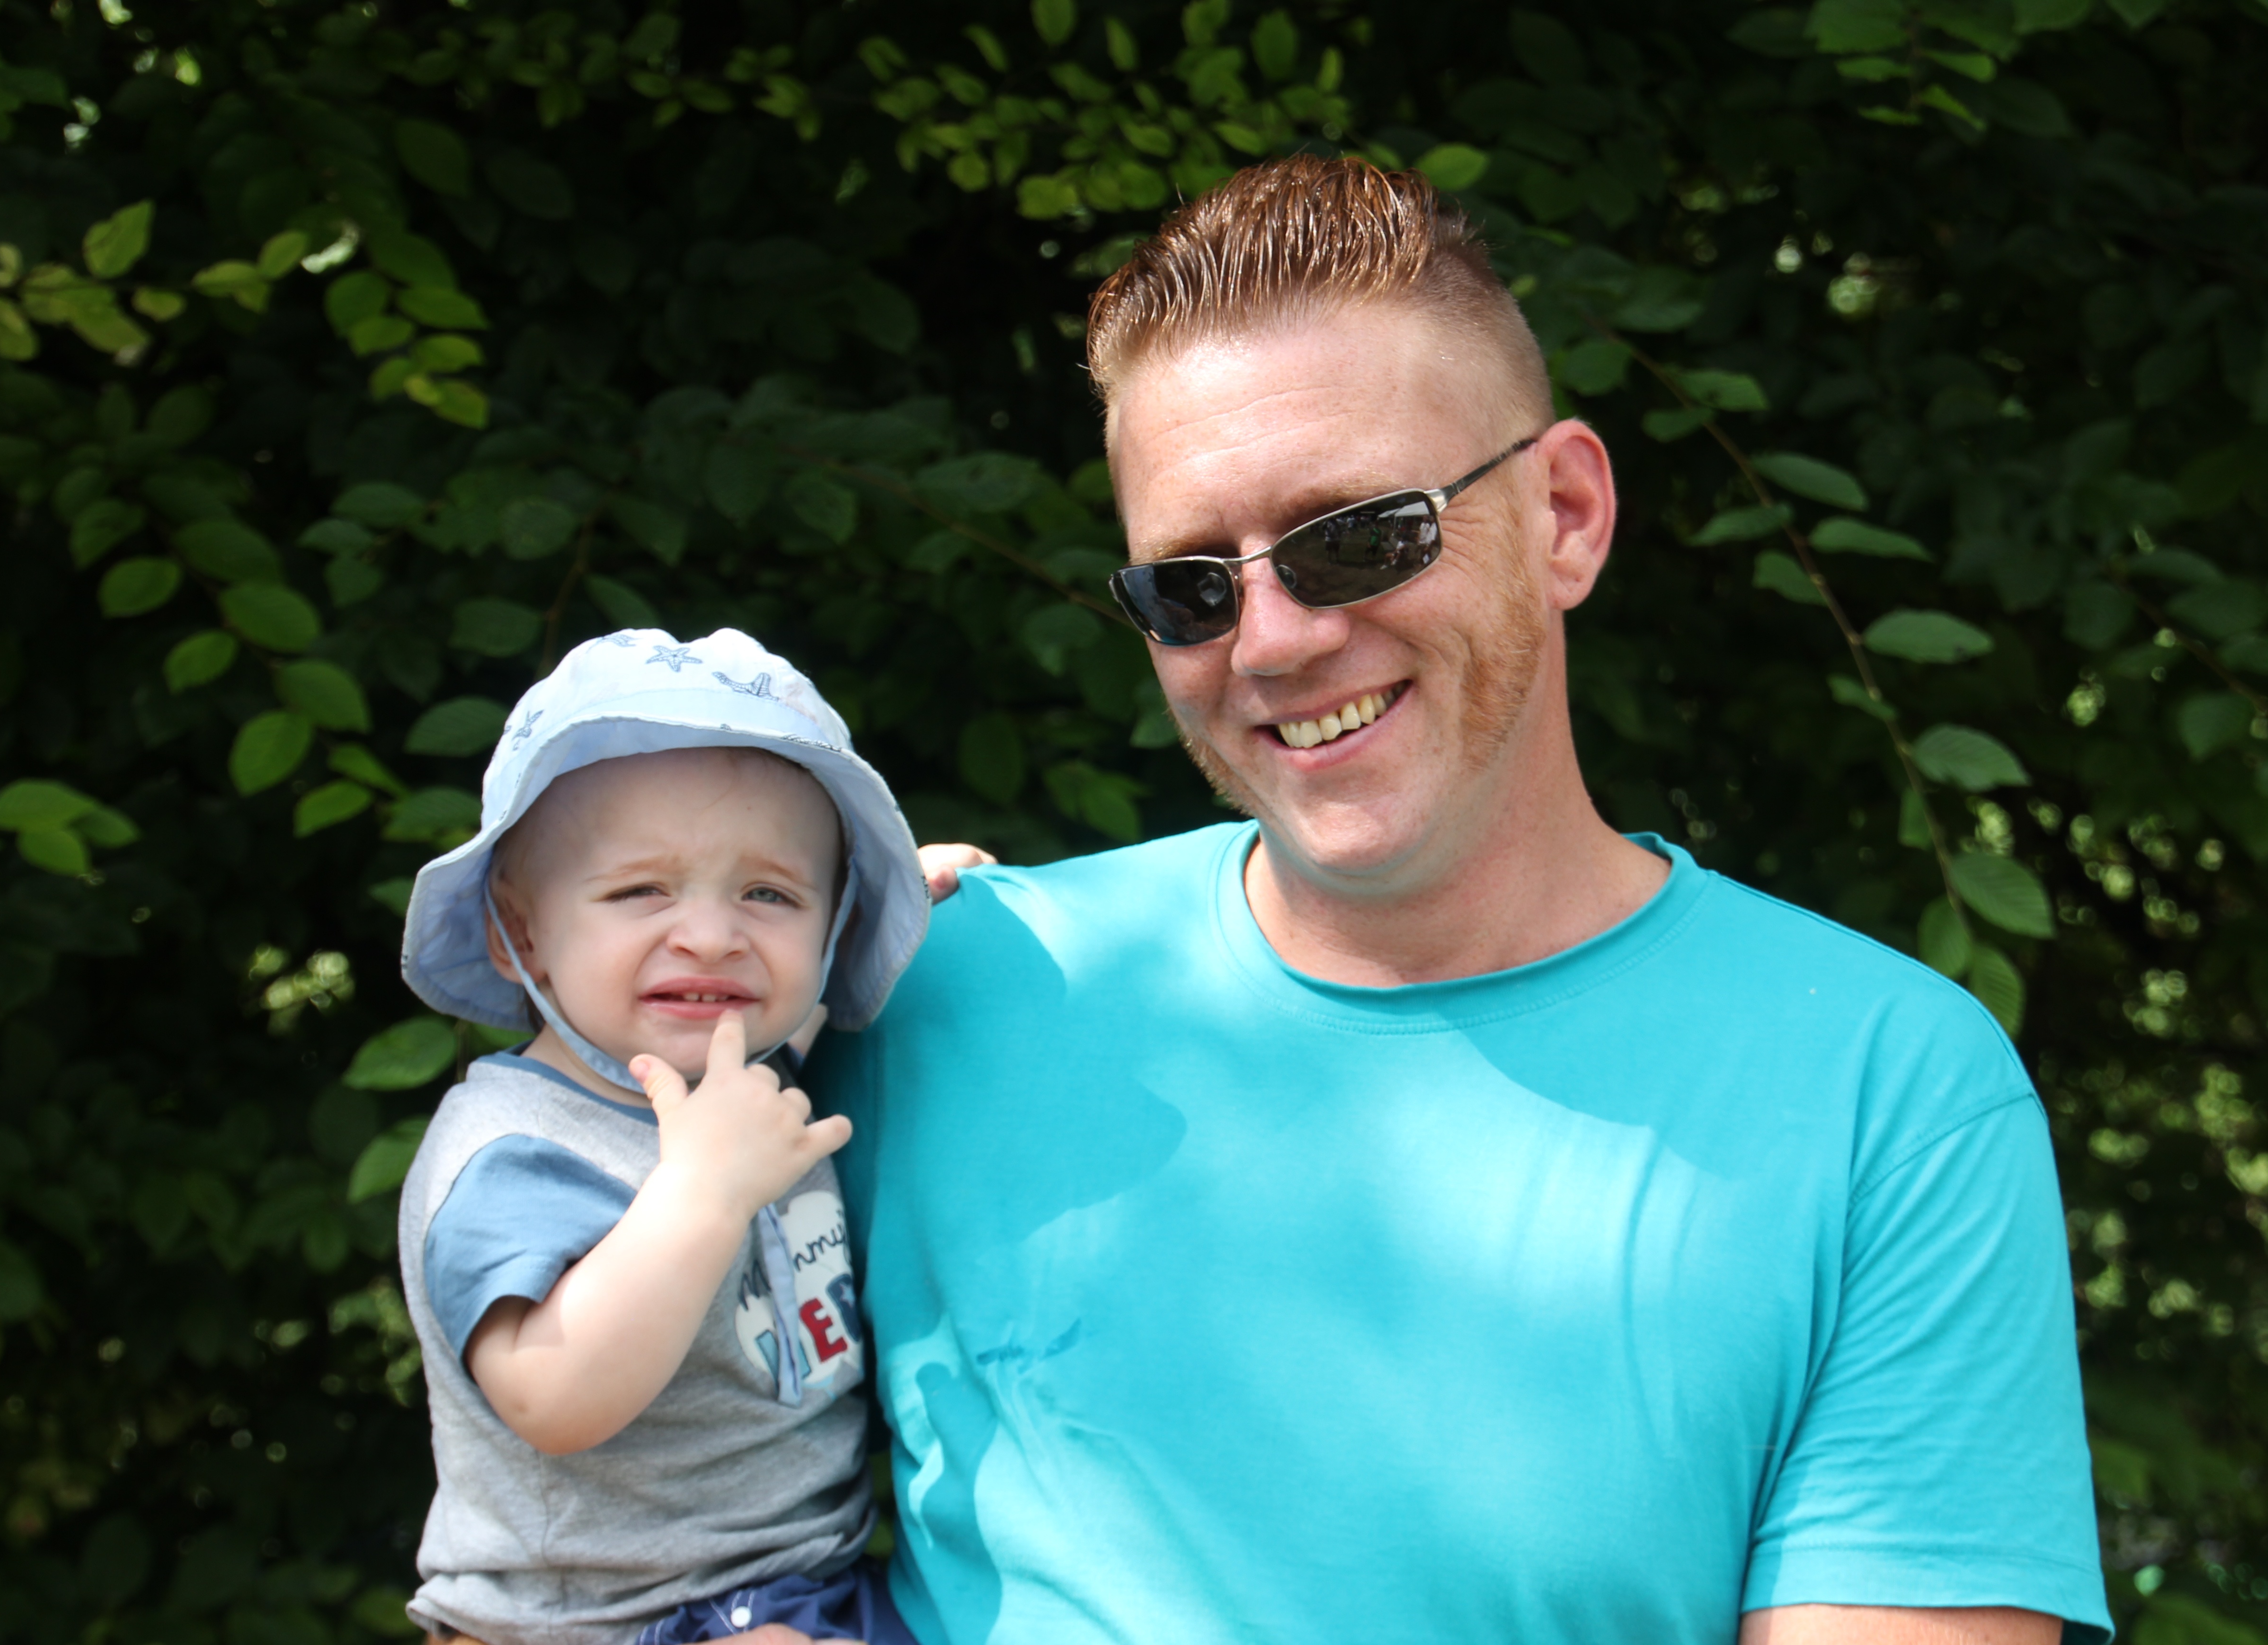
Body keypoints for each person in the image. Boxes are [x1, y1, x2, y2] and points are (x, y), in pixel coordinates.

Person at [792, 157, 2112, 1645]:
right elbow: (619, 1507)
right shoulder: (935, 995)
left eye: (1356, 538)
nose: (1273, 642)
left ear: (1566, 515)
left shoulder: (1889, 1096)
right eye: (1191, 587)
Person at [395, 626, 978, 1645]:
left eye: (770, 895)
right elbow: (550, 1397)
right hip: (590, 1616)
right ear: (520, 935)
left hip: (797, 1585)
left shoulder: (748, 1071)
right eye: (640, 891)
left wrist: (915, 889)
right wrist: (702, 1196)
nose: (711, 937)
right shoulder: (517, 1147)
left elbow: (804, 1001)